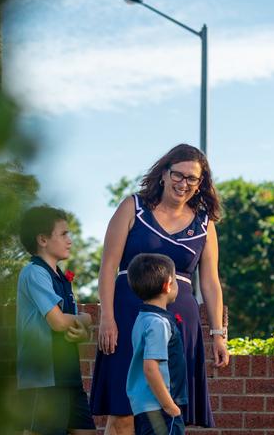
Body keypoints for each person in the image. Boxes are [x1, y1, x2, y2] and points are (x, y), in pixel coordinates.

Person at [90, 143, 229, 435]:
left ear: (200, 183)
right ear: (164, 173)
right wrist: (107, 317)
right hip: (128, 317)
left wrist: (218, 334)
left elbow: (211, 282)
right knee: (123, 410)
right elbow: (107, 267)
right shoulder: (134, 207)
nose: (184, 184)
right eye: (178, 175)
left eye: (193, 179)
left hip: (179, 325)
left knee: (168, 413)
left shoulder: (205, 223)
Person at [16, 206, 97, 435]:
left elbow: (75, 327)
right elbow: (59, 323)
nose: (70, 240)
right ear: (42, 239)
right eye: (63, 234)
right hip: (44, 379)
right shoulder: (34, 273)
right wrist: (86, 318)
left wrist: (83, 329)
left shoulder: (61, 277)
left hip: (67, 376)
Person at [126, 253, 188, 435]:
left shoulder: (143, 318)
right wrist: (170, 406)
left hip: (146, 407)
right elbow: (150, 368)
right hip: (160, 407)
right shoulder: (158, 323)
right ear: (168, 285)